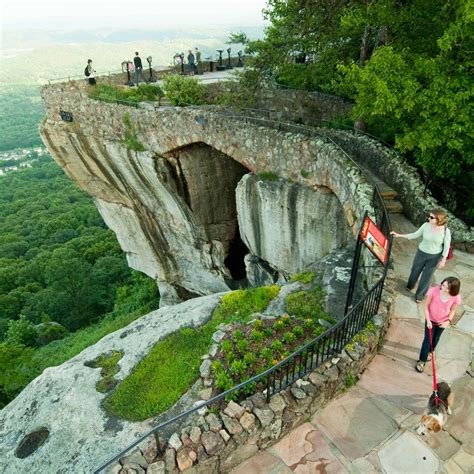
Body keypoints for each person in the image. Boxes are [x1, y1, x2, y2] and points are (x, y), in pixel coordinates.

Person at [391, 208, 451, 303]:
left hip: (435, 257)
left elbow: (447, 247)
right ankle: (410, 285)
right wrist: (399, 235)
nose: (429, 218)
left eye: (431, 217)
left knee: (426, 277)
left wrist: (443, 260)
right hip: (421, 253)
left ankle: (419, 295)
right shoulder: (425, 226)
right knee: (415, 270)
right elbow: (415, 235)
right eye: (429, 216)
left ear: (439, 219)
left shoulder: (445, 231)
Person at [415, 277, 461, 373]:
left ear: (453, 290)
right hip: (430, 319)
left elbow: (453, 310)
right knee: (427, 340)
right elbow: (426, 305)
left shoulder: (456, 297)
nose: (443, 289)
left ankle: (430, 352)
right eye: (443, 285)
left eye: (447, 288)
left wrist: (448, 321)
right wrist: (428, 320)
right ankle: (421, 361)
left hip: (442, 322)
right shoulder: (434, 290)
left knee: (436, 338)